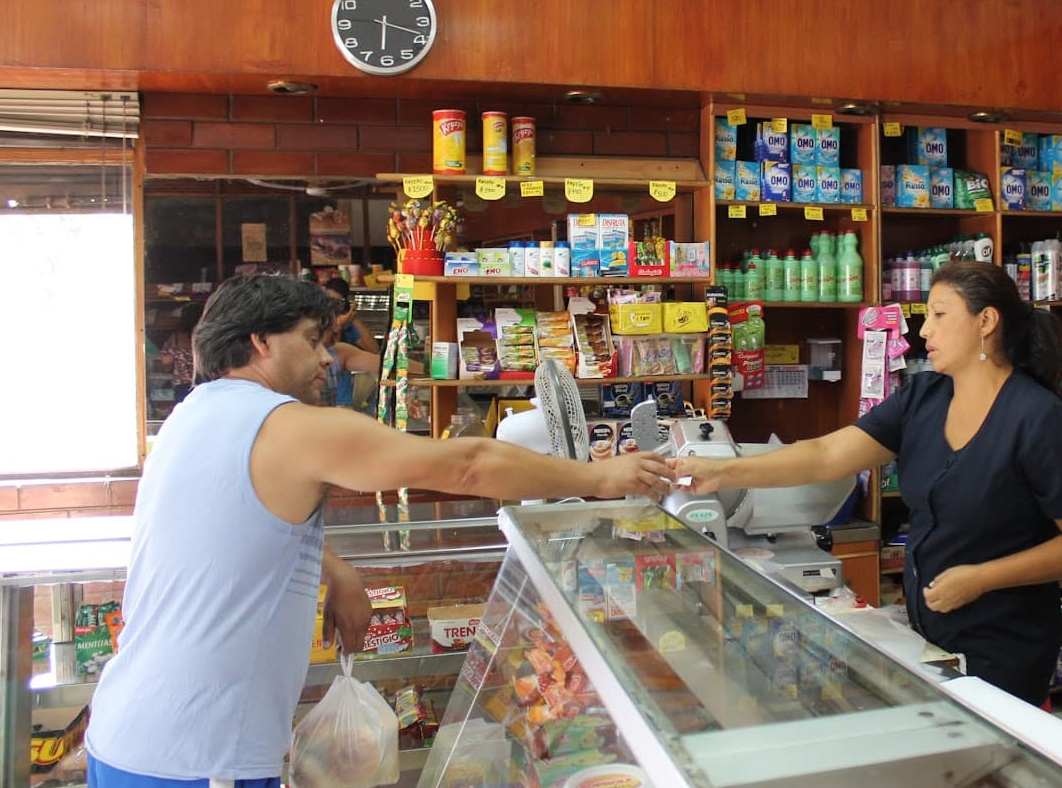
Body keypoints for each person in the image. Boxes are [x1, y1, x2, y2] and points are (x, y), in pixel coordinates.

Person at [85, 274, 671, 787]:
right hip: (197, 754)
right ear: (260, 342)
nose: (329, 358)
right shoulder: (290, 426)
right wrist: (599, 477)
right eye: (312, 340)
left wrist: (333, 568)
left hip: (128, 733)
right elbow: (465, 465)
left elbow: (240, 523)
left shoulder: (195, 415)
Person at [669, 261, 1062, 705]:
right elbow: (825, 455)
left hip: (1006, 645)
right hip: (932, 637)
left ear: (986, 321)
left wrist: (982, 579)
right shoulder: (924, 398)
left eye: (939, 315)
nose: (923, 332)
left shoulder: (1043, 422)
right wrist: (722, 470)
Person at [157, 302, 202, 403]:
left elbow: (166, 361)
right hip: (205, 384)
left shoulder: (176, 339)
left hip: (182, 385)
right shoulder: (207, 338)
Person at [324, 276, 378, 352]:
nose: (333, 305)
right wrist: (338, 325)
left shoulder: (347, 323)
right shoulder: (320, 320)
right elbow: (332, 354)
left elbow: (374, 349)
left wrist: (353, 316)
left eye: (338, 302)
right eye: (330, 300)